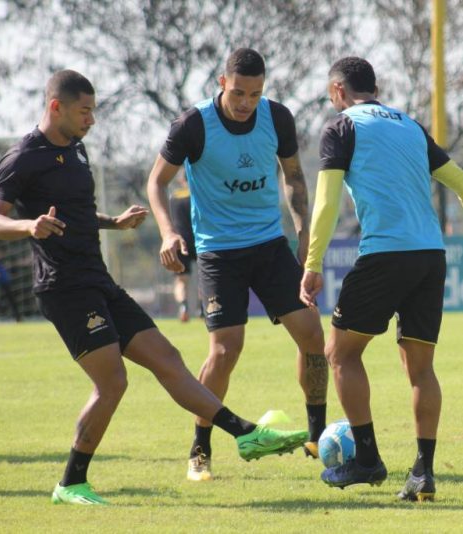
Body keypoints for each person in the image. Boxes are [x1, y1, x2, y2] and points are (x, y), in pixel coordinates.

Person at [0, 69, 308, 506]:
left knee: (168, 358)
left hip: (97, 279)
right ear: (56, 107)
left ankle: (245, 435)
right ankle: (70, 483)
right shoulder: (23, 157)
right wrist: (28, 226)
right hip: (64, 288)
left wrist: (112, 222)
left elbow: (74, 215)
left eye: (93, 111)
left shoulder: (76, 149)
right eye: (84, 111)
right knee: (113, 382)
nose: (91, 120)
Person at [300, 57, 463, 501]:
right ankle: (423, 473)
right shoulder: (410, 126)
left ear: (337, 91)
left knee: (341, 354)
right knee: (420, 368)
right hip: (430, 255)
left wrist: (312, 264)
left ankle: (366, 459)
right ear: (375, 87)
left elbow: (327, 203)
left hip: (386, 254)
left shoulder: (341, 127)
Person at [146, 47, 328, 482]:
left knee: (312, 335)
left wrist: (303, 230)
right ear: (222, 83)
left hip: (269, 245)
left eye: (256, 93)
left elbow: (295, 176)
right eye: (240, 92)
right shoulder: (193, 125)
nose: (247, 102)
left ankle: (317, 436)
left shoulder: (277, 118)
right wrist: (169, 233)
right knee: (225, 351)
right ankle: (200, 448)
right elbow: (156, 182)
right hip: (218, 252)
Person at [168, 172, 199, 322]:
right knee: (204, 277)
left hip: (180, 241)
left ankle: (183, 306)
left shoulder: (173, 197)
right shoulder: (197, 195)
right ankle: (202, 308)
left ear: (181, 180)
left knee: (181, 280)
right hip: (199, 239)